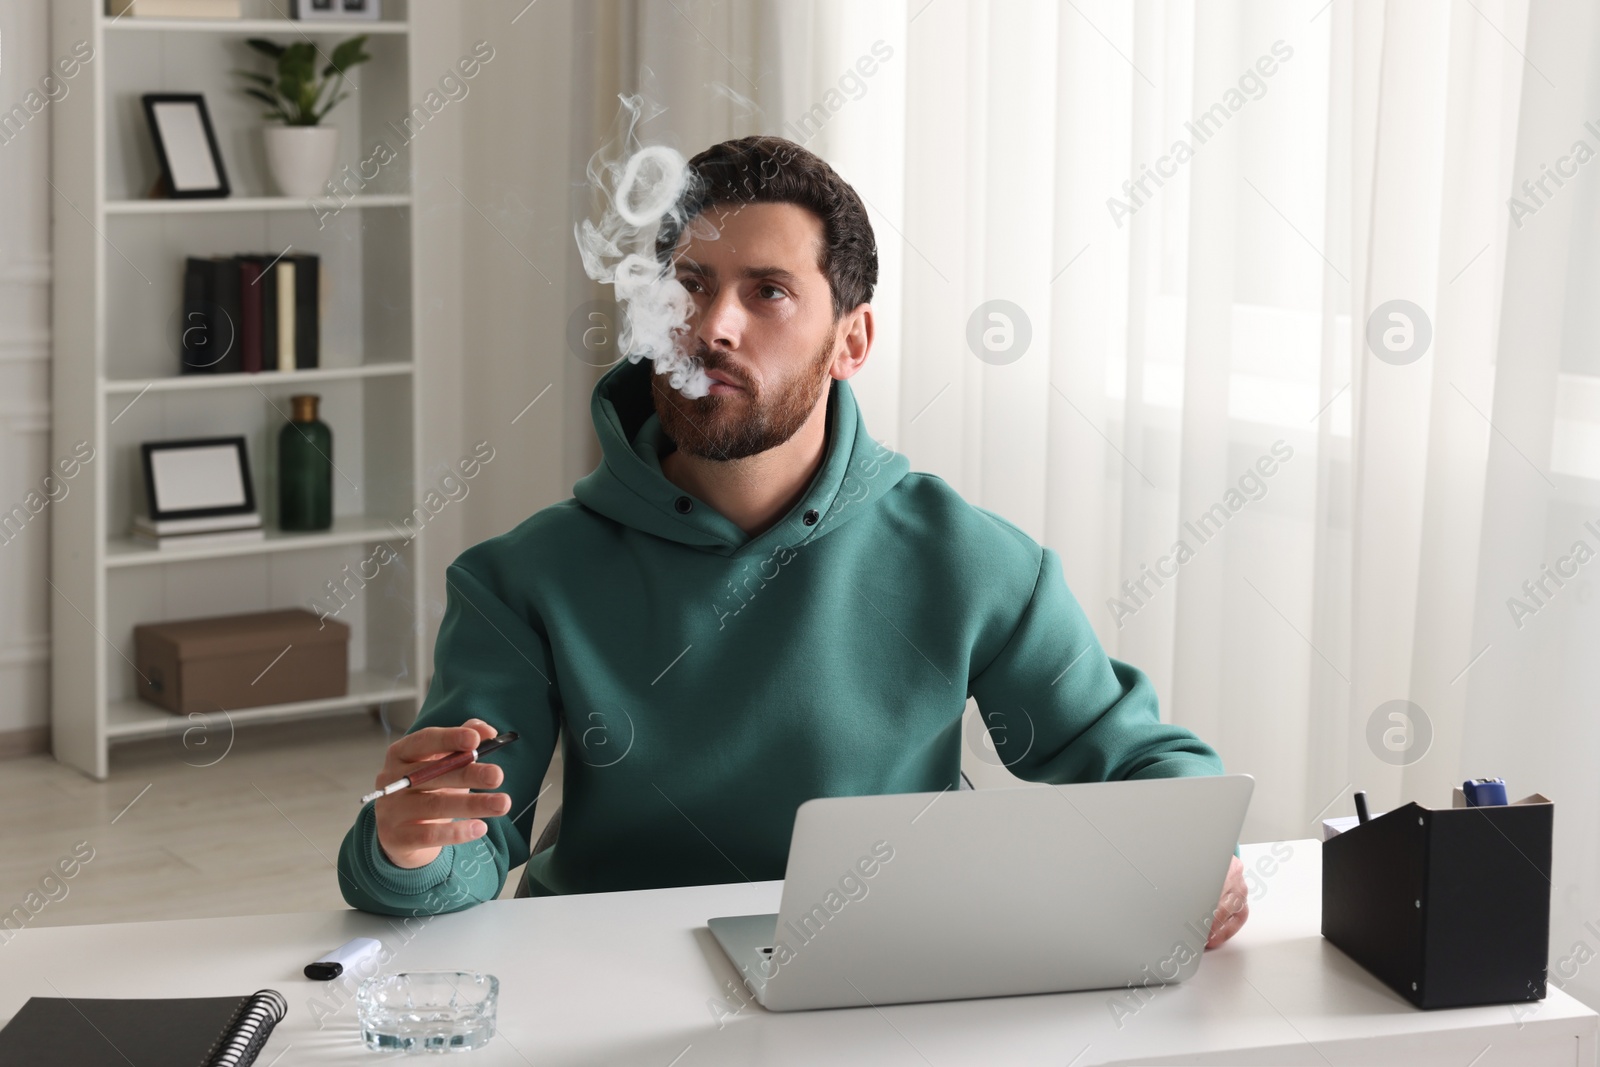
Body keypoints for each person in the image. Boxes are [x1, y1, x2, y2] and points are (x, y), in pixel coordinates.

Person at [337, 135, 1249, 949]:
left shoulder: (963, 557)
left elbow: (1133, 757)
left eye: (767, 291)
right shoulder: (523, 577)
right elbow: (461, 849)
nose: (713, 326)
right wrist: (408, 845)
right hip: (604, 994)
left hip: (873, 979)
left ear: (851, 340)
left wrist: (1193, 850)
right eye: (690, 286)